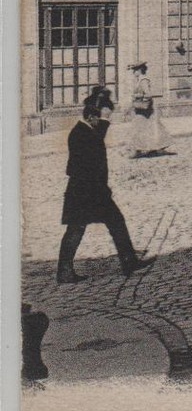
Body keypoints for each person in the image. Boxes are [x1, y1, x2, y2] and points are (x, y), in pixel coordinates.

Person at [56, 86, 149, 284]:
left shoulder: (88, 129)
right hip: (83, 191)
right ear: (91, 116)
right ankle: (64, 271)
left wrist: (104, 114)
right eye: (103, 118)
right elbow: (76, 167)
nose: (106, 122)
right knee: (76, 229)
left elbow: (100, 133)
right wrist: (98, 188)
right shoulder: (81, 134)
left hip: (91, 191)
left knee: (114, 222)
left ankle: (128, 261)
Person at [125, 61, 172, 156]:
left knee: (141, 128)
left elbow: (148, 94)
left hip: (146, 109)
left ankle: (136, 150)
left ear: (139, 70)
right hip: (143, 110)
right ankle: (148, 148)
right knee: (147, 128)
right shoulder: (140, 80)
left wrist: (137, 98)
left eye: (135, 70)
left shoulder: (143, 80)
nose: (133, 72)